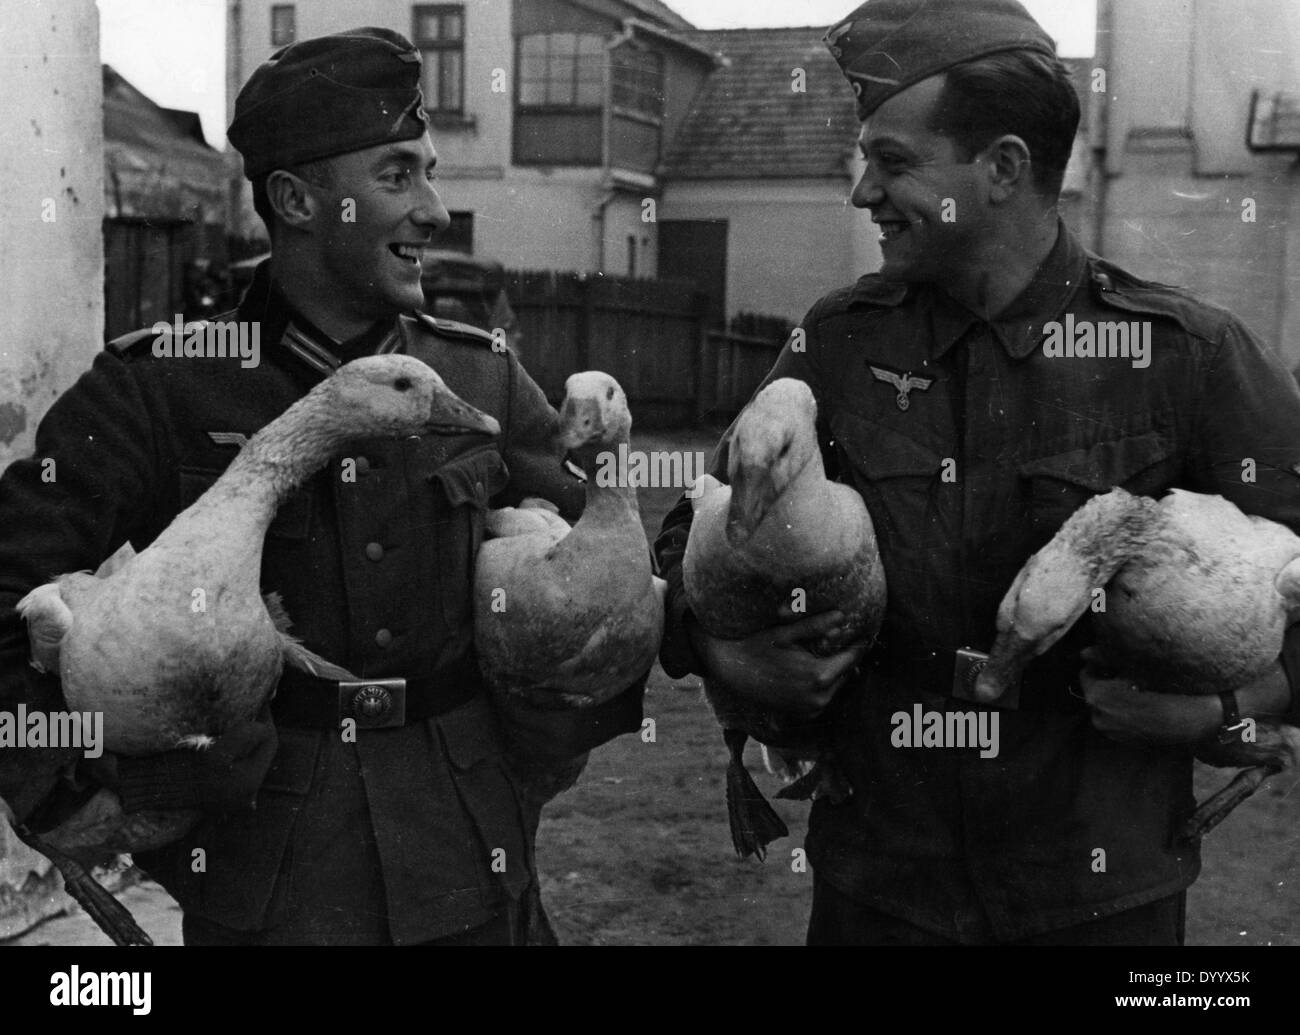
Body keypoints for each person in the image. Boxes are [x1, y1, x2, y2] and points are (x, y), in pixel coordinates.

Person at [654, 0, 1300, 946]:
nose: (861, 193)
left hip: (1099, 905)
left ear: (1001, 168)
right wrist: (719, 649)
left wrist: (1228, 706)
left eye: (894, 162)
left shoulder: (1186, 357)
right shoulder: (835, 343)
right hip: (880, 895)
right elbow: (696, 530)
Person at [0, 26, 644, 945]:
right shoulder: (163, 386)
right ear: (298, 199)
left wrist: (557, 729)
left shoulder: (484, 379)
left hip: (471, 851)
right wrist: (89, 798)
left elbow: (612, 580)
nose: (433, 209)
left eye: (430, 172)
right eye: (396, 176)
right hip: (267, 875)